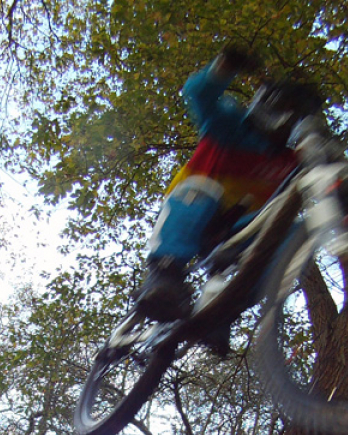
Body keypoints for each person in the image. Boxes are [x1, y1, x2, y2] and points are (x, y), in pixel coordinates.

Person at [136, 49, 326, 350]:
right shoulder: (230, 124)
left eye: (296, 115)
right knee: (204, 191)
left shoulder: (290, 161)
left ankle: (224, 308)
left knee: (298, 237)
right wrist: (226, 65)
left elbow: (332, 185)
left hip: (236, 231)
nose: (288, 119)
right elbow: (199, 94)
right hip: (192, 213)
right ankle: (164, 274)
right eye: (285, 108)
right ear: (268, 104)